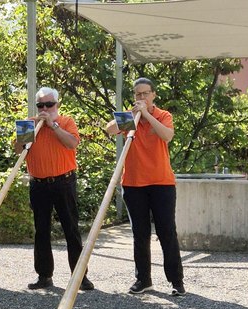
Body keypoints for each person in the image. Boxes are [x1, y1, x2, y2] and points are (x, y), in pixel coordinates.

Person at [106, 77, 185, 296]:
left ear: (153, 95)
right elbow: (109, 129)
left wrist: (147, 114)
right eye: (137, 94)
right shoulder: (129, 117)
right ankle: (143, 280)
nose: (141, 98)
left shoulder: (163, 115)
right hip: (133, 183)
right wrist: (131, 116)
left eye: (145, 94)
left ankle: (176, 281)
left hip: (161, 183)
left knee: (166, 231)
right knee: (139, 234)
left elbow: (167, 135)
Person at [14, 87, 94, 291]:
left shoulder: (66, 122)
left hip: (63, 182)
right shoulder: (30, 123)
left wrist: (53, 126)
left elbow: (72, 143)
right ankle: (44, 275)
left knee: (71, 228)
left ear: (57, 105)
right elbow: (17, 150)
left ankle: (80, 277)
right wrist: (28, 132)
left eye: (49, 105)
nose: (45, 109)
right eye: (41, 105)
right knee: (41, 230)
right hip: (38, 183)